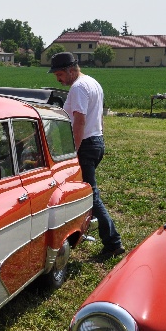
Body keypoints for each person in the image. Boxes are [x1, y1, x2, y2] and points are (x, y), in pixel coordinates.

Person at [48, 52, 124, 259]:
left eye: (60, 74)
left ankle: (113, 243)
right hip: (96, 141)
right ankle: (83, 227)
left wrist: (74, 151)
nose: (58, 79)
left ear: (71, 70)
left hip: (86, 145)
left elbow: (80, 121)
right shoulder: (93, 83)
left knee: (91, 195)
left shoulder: (78, 87)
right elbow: (97, 117)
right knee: (85, 191)